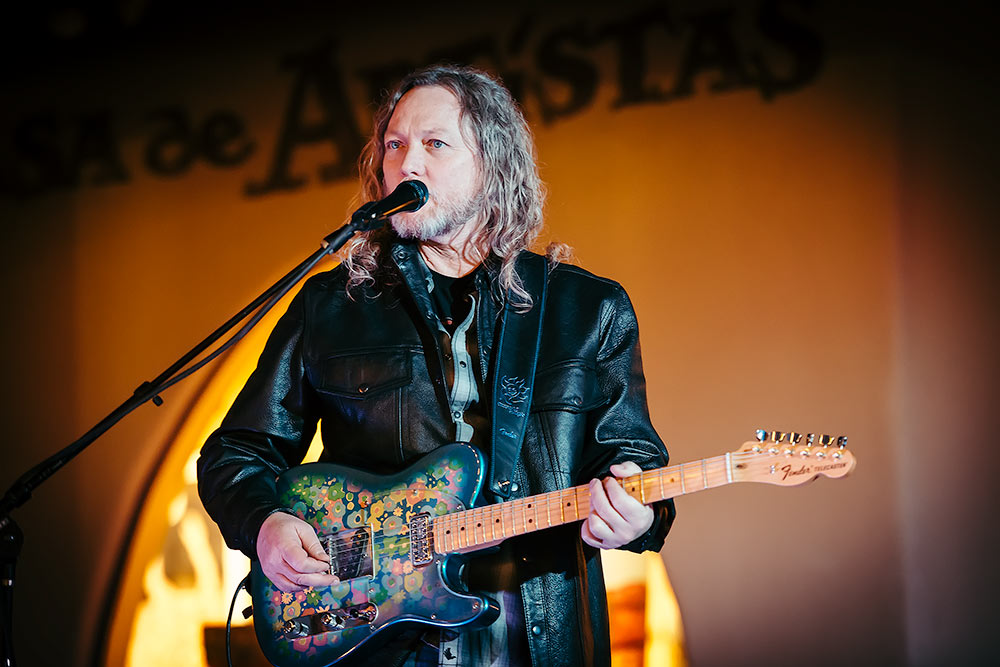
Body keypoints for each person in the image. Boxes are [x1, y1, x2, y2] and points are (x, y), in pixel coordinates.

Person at [198, 64, 675, 667]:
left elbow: (633, 461)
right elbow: (236, 451)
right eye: (394, 146)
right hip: (379, 642)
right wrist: (263, 523)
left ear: (493, 165)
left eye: (434, 144)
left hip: (536, 638)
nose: (407, 164)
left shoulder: (587, 310)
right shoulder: (331, 307)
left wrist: (636, 511)